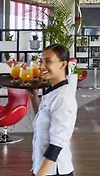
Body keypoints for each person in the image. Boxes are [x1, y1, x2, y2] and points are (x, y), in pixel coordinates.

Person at [28, 44, 77, 176]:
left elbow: (57, 143)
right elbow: (46, 121)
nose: (42, 66)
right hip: (43, 168)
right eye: (41, 61)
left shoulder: (63, 97)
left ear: (63, 64)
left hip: (54, 170)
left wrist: (40, 174)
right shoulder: (53, 91)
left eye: (48, 61)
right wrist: (34, 99)